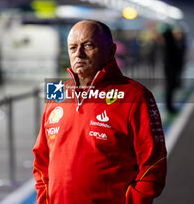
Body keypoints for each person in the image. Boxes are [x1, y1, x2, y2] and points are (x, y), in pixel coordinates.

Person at [33, 20, 167, 204]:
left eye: (88, 45)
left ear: (111, 51)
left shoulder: (135, 96)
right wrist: (45, 198)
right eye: (72, 47)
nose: (78, 54)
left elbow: (153, 165)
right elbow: (41, 158)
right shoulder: (57, 93)